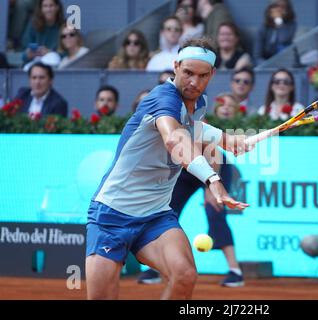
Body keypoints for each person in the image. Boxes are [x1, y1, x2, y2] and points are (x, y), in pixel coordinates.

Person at [85, 38, 253, 300]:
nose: (194, 82)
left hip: (155, 216)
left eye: (202, 75)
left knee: (184, 275)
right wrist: (212, 179)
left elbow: (192, 126)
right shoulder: (162, 98)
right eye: (187, 73)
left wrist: (225, 139)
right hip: (112, 215)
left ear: (212, 74)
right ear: (175, 66)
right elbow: (175, 138)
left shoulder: (199, 102)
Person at [138, 92, 246, 287]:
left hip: (213, 164)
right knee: (166, 213)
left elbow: (210, 151)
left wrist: (211, 185)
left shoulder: (190, 118)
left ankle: (235, 270)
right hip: (185, 169)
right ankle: (155, 267)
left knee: (215, 211)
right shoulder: (157, 120)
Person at [21, 0, 65, 65]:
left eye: (51, 6)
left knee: (53, 58)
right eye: (45, 6)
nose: (48, 9)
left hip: (56, 64)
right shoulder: (33, 24)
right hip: (34, 62)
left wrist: (49, 52)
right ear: (41, 9)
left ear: (57, 7)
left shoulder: (64, 26)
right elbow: (24, 54)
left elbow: (68, 54)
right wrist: (30, 54)